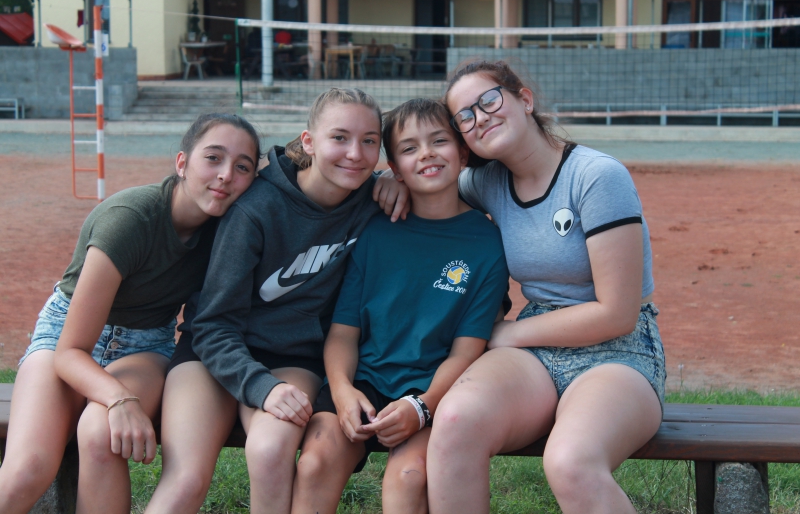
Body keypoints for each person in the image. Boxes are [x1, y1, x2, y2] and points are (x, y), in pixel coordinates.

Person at [145, 88, 410, 514]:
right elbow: (212, 324)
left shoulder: (369, 200)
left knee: (270, 450)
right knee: (186, 480)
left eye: (369, 141)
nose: (355, 154)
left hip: (291, 358)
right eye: (339, 138)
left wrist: (393, 181)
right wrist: (259, 386)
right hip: (213, 354)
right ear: (309, 141)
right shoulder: (256, 209)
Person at [427, 60, 666, 514]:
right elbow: (429, 177)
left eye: (489, 100)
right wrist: (392, 182)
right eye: (465, 117)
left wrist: (507, 333)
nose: (480, 118)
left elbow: (618, 313)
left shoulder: (597, 175)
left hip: (619, 351)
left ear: (524, 99)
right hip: (536, 347)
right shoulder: (486, 182)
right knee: (455, 422)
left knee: (570, 462)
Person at [0, 113, 261, 514]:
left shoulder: (231, 229)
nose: (226, 175)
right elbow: (71, 350)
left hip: (144, 343)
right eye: (213, 158)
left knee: (101, 435)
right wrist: (119, 398)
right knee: (27, 470)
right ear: (182, 163)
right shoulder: (130, 217)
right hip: (66, 336)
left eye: (242, 167)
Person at [291, 98, 509, 514]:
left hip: (434, 389)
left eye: (439, 141)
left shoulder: (487, 245)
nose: (426, 154)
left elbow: (466, 351)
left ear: (463, 153)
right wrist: (342, 391)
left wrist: (423, 406)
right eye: (409, 148)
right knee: (315, 463)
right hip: (364, 382)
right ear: (393, 167)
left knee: (408, 479)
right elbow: (343, 333)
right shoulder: (374, 230)